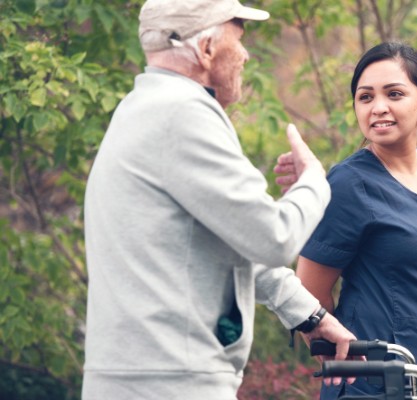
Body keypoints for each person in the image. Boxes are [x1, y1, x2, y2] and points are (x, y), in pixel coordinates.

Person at [82, 0, 356, 398]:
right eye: (239, 39)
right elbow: (274, 238)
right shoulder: (183, 113)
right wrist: (315, 181)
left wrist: (310, 317)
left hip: (142, 379)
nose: (245, 55)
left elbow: (231, 240)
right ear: (206, 48)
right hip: (172, 383)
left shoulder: (142, 109)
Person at [294, 42, 417, 399]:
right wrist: (345, 355)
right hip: (375, 383)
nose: (378, 108)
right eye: (365, 97)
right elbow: (309, 291)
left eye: (394, 94)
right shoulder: (349, 184)